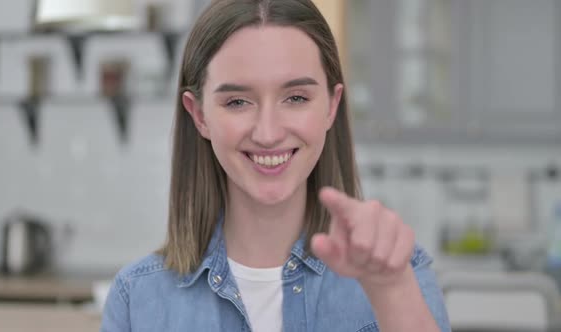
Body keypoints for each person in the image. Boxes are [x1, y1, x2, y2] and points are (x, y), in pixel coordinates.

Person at [101, 0, 451, 331]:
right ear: (200, 115)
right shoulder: (137, 298)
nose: (268, 134)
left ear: (331, 106)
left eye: (296, 97)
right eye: (237, 101)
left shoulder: (400, 273)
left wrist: (390, 291)